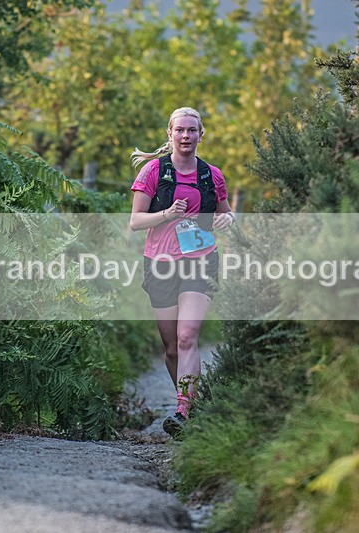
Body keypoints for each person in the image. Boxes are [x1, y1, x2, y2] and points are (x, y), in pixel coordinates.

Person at [129, 107, 234, 437]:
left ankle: (184, 412)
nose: (186, 136)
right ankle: (191, 403)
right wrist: (167, 214)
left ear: (201, 135)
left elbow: (227, 213)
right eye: (180, 131)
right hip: (160, 264)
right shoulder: (153, 172)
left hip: (200, 259)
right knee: (173, 347)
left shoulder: (211, 175)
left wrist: (226, 220)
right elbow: (135, 222)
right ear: (170, 134)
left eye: (192, 130)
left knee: (188, 335)